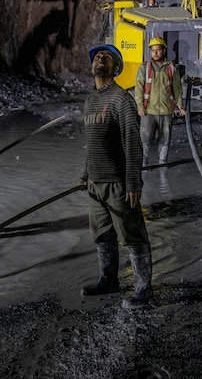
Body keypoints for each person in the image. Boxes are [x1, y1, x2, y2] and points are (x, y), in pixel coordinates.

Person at [80, 43, 154, 309]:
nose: (100, 58)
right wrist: (85, 173)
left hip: (118, 183)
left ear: (115, 68)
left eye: (107, 57)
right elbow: (93, 143)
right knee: (102, 235)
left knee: (132, 234)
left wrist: (134, 181)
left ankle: (144, 289)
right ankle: (108, 280)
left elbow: (133, 143)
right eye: (97, 56)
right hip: (95, 184)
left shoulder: (121, 99)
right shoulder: (89, 101)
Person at [134, 36, 185, 167]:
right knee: (145, 140)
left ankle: (162, 166)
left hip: (167, 111)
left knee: (165, 140)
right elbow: (139, 87)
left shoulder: (172, 68)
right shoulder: (144, 67)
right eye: (153, 50)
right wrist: (139, 106)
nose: (155, 53)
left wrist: (180, 105)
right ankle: (143, 166)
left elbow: (177, 88)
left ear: (164, 51)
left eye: (158, 50)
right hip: (148, 111)